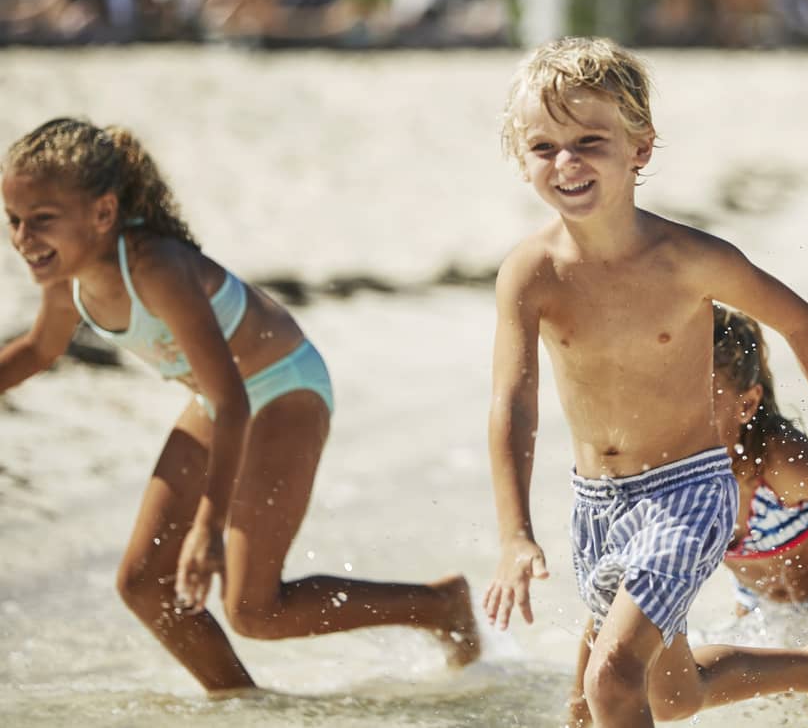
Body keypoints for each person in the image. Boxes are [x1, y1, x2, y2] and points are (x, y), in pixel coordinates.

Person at [480, 37, 808, 728]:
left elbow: (802, 323)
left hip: (687, 492)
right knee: (669, 693)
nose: (566, 163)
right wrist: (515, 532)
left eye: (589, 141)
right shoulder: (529, 273)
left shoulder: (689, 260)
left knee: (612, 677)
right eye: (543, 147)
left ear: (640, 149)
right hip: (597, 503)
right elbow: (514, 401)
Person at [0, 118, 480, 694]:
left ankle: (438, 606)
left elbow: (232, 400)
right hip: (222, 396)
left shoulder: (155, 267)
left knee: (256, 610)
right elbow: (37, 350)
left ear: (103, 214)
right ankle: (241, 702)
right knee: (144, 584)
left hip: (282, 390)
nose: (23, 238)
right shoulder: (67, 276)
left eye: (42, 221)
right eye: (14, 220)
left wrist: (209, 526)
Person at [566, 304, 808, 726]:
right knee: (668, 697)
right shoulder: (669, 479)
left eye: (700, 403)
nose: (679, 420)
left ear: (748, 403)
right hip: (768, 615)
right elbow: (621, 590)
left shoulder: (782, 462)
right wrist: (578, 701)